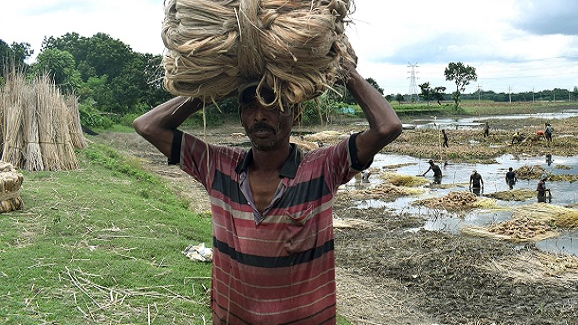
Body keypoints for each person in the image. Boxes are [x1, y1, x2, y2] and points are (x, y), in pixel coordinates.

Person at [133, 67, 402, 325]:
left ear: (295, 115)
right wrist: (208, 90)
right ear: (241, 116)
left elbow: (387, 127)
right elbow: (147, 126)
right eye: (250, 106)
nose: (260, 115)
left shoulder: (323, 167)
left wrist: (348, 74)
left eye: (272, 104)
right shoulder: (216, 165)